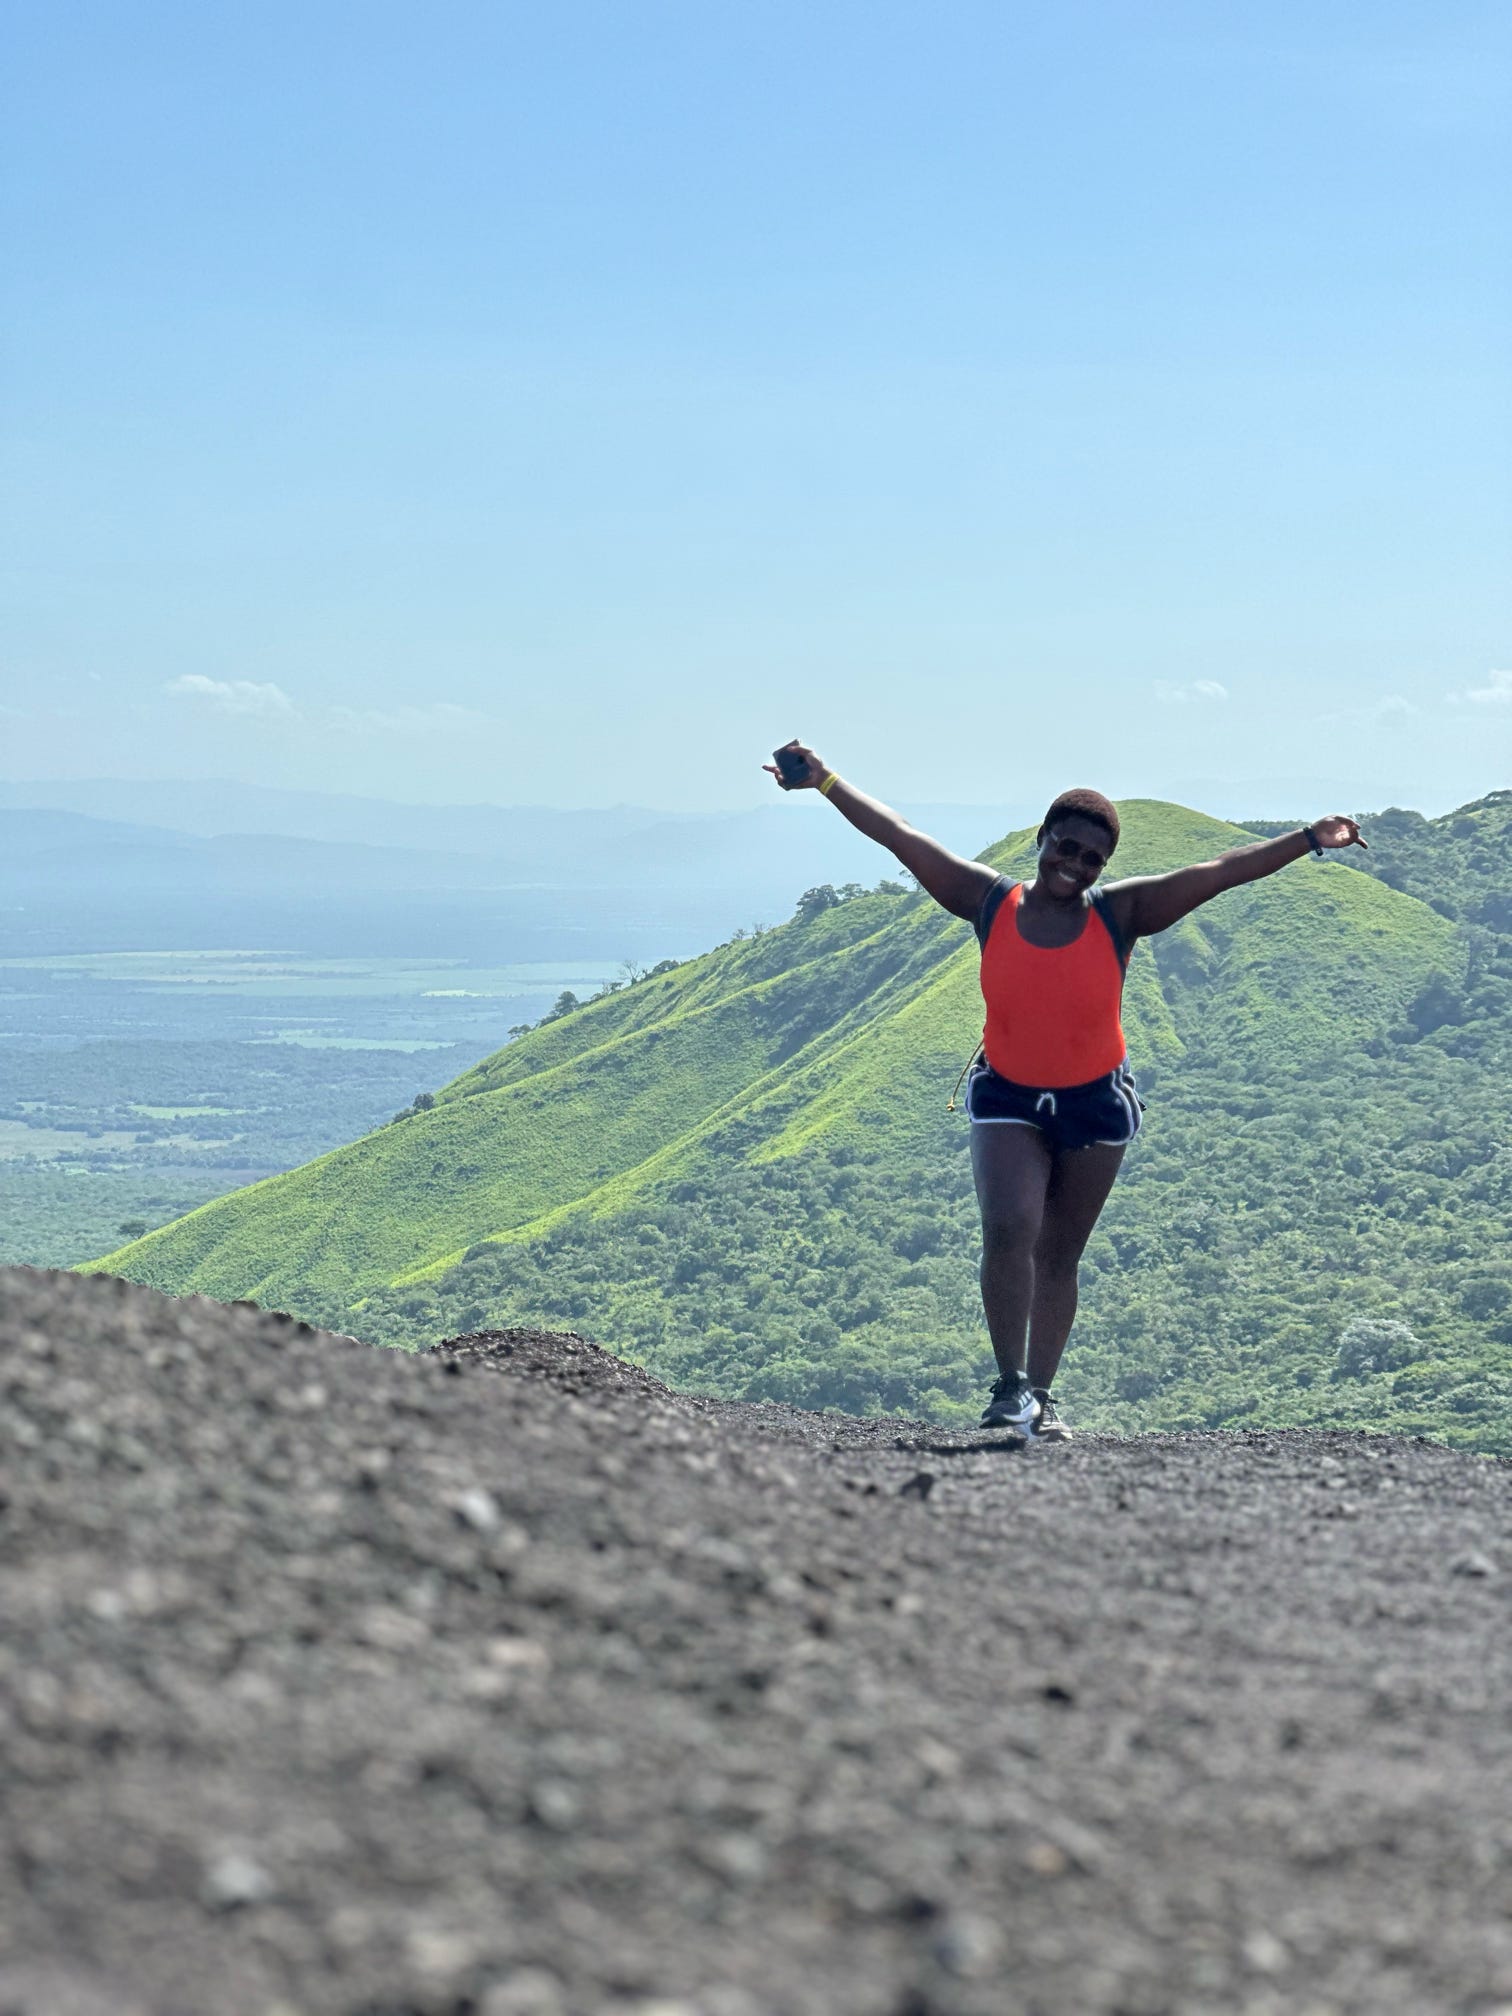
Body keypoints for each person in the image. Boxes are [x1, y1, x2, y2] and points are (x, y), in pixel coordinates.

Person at [764, 740, 1366, 1440]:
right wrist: (826, 781)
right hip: (1008, 1097)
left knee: (1059, 1255)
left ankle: (1043, 1397)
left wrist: (1306, 841)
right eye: (1066, 847)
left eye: (1090, 860)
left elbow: (1218, 873)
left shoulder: (1119, 914)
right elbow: (903, 838)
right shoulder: (987, 900)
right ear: (1042, 839)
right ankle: (1010, 1388)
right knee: (1009, 1227)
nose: (1074, 866)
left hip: (1094, 1105)